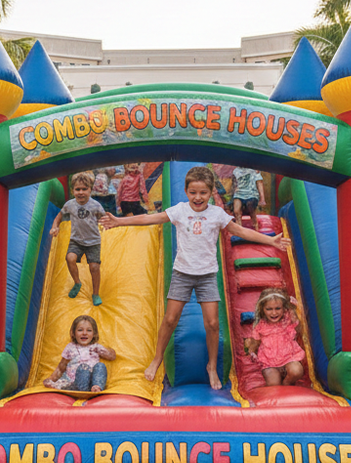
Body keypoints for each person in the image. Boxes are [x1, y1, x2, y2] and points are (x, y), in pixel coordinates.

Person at [101, 166, 290, 389]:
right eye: (193, 192)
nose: (197, 197)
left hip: (207, 275)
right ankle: (157, 358)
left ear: (211, 193)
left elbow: (241, 232)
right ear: (186, 191)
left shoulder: (217, 214)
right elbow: (150, 218)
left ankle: (211, 366)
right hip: (182, 273)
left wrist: (270, 241)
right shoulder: (180, 210)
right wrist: (119, 221)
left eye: (203, 193)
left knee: (212, 323)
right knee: (170, 319)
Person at [51, 172, 107, 305]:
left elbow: (103, 218)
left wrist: (106, 224)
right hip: (76, 240)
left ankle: (95, 294)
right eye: (77, 189)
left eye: (84, 189)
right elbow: (59, 216)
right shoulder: (70, 205)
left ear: (90, 190)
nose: (81, 192)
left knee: (94, 267)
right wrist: (55, 227)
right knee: (70, 258)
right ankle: (77, 283)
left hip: (93, 242)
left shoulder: (95, 206)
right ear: (72, 191)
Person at [244, 288, 305, 386]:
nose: (274, 313)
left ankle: (287, 382)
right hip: (270, 363)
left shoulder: (287, 319)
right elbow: (256, 342)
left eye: (278, 308)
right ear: (262, 309)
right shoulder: (260, 326)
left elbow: (299, 328)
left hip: (289, 358)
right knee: (274, 384)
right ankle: (279, 381)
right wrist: (251, 351)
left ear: (283, 308)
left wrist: (295, 307)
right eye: (269, 309)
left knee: (297, 371)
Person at [44, 315, 117, 392]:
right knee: (83, 368)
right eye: (80, 330)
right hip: (75, 381)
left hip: (91, 383)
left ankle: (96, 386)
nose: (84, 333)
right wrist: (51, 379)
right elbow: (61, 366)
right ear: (73, 333)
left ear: (94, 333)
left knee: (100, 366)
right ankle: (79, 388)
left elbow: (112, 357)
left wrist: (103, 350)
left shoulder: (95, 347)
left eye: (89, 330)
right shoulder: (70, 347)